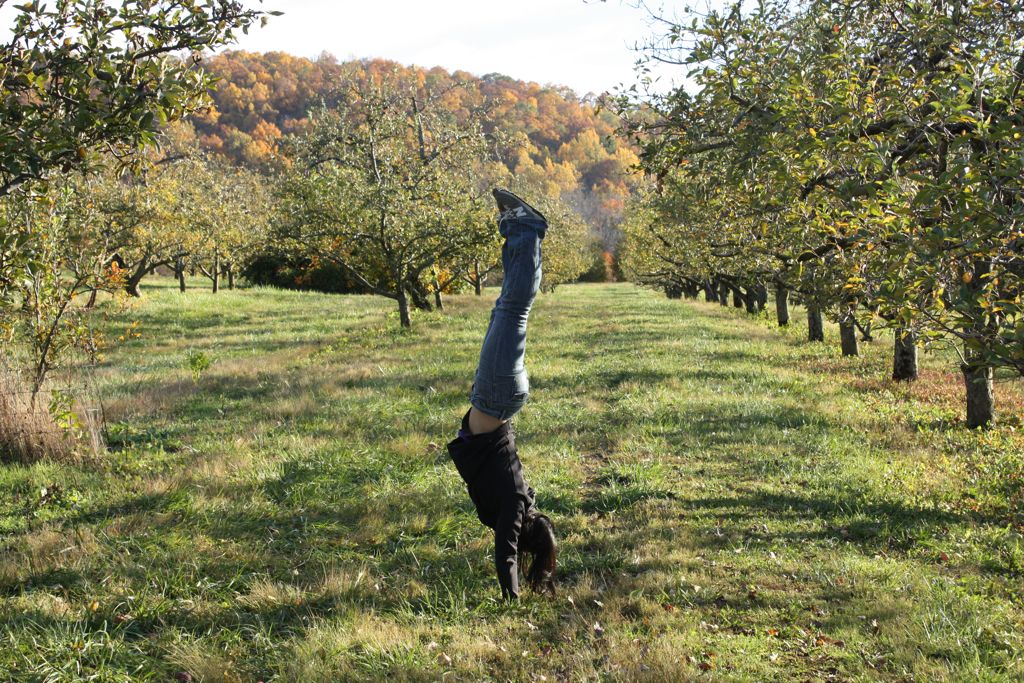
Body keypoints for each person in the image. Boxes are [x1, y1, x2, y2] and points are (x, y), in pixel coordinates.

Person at [447, 188, 558, 600]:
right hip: (496, 397)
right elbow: (505, 552)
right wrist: (510, 595)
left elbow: (509, 544)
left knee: (505, 310)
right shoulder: (514, 507)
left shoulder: (519, 502)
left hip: (496, 398)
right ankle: (528, 227)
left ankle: (516, 228)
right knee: (513, 309)